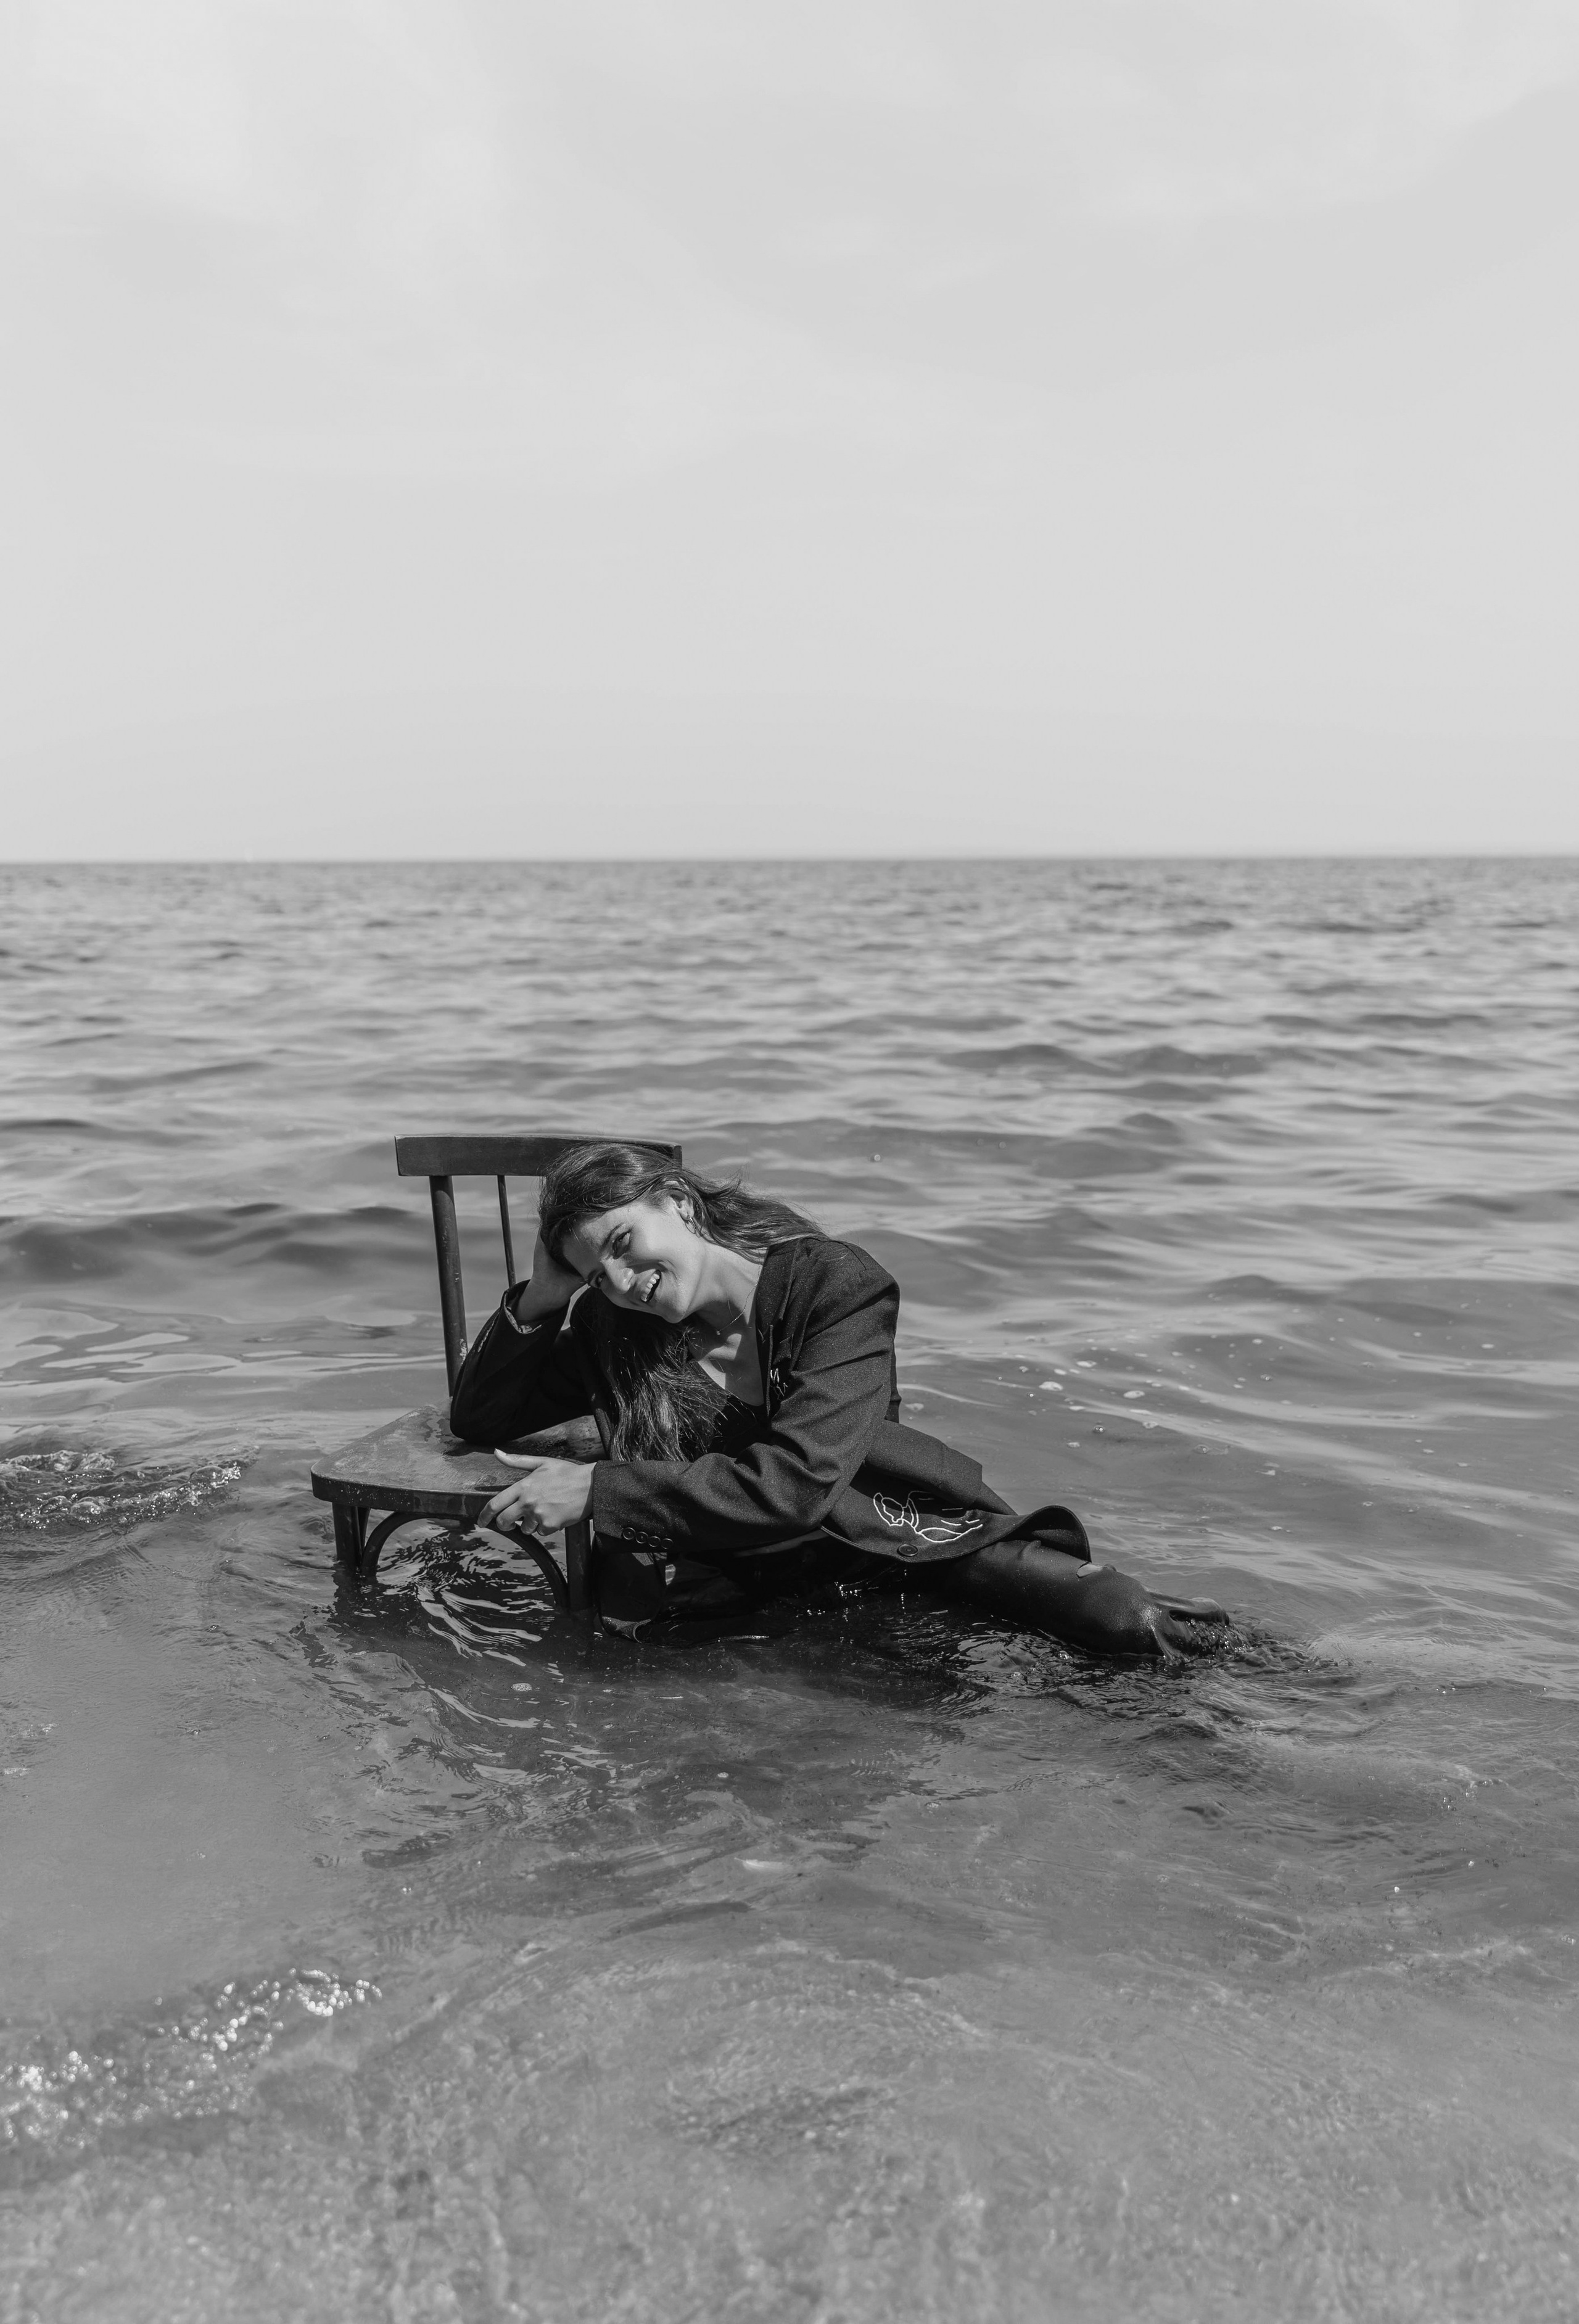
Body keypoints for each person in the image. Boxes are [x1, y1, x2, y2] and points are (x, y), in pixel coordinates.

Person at [451, 1142, 1226, 1657]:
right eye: (596, 1274)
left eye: (622, 1244)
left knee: (1128, 1622)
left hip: (886, 1542)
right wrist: (542, 1295)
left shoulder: (833, 1286)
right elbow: (480, 1418)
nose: (621, 1283)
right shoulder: (613, 1326)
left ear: (678, 1202)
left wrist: (598, 1489)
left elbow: (797, 1484)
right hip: (731, 1581)